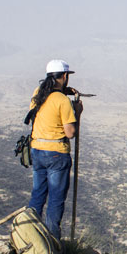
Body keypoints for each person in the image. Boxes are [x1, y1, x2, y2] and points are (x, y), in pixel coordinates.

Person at [28, 59, 82, 240]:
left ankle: (29, 237)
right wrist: (77, 112)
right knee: (56, 199)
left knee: (37, 195)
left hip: (36, 149)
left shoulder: (38, 93)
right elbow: (70, 132)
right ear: (65, 76)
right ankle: (52, 241)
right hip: (57, 153)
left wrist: (63, 91)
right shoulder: (62, 101)